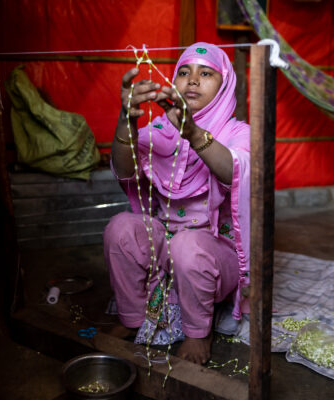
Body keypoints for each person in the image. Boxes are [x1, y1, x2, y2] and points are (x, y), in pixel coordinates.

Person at [104, 42, 250, 365]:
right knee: (120, 228)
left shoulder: (237, 132)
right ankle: (132, 318)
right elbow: (125, 169)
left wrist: (194, 134)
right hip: (165, 249)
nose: (192, 80)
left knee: (187, 247)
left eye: (205, 73)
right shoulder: (160, 129)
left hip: (212, 255)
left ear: (224, 84)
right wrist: (126, 118)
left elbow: (235, 171)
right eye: (184, 72)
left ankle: (199, 332)